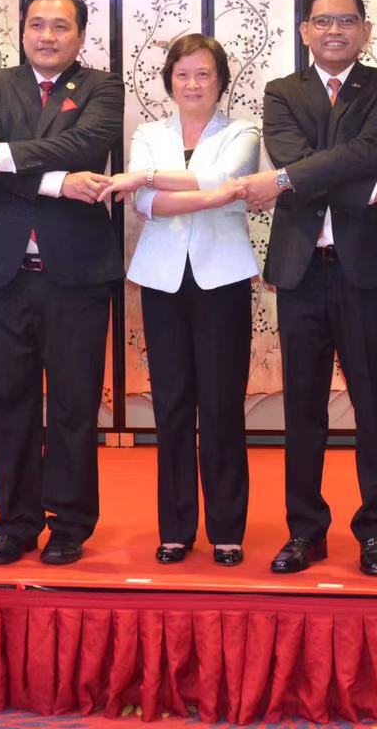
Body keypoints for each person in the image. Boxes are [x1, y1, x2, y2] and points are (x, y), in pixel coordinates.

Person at [239, 0, 377, 577]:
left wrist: (290, 179)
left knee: (376, 405)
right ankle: (305, 530)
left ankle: (375, 531)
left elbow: (368, 151)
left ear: (365, 32)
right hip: (302, 269)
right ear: (304, 31)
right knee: (302, 406)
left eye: (347, 21)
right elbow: (297, 157)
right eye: (322, 21)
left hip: (369, 271)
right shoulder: (282, 92)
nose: (334, 30)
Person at [0, 0, 123, 567]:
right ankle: (15, 523)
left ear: (80, 35)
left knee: (74, 403)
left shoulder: (102, 86)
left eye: (60, 27)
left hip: (76, 272)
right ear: (22, 30)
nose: (47, 36)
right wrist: (54, 180)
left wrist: (1, 155)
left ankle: (69, 523)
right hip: (4, 271)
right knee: (9, 402)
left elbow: (87, 143)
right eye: (36, 25)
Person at [98, 34, 259, 567]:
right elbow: (147, 205)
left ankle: (227, 529)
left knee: (220, 407)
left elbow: (219, 176)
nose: (192, 84)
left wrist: (146, 179)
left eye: (204, 74)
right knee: (170, 408)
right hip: (163, 281)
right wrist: (210, 193)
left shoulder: (242, 131)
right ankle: (175, 528)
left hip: (223, 280)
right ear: (170, 80)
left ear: (220, 81)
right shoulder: (147, 133)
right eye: (183, 74)